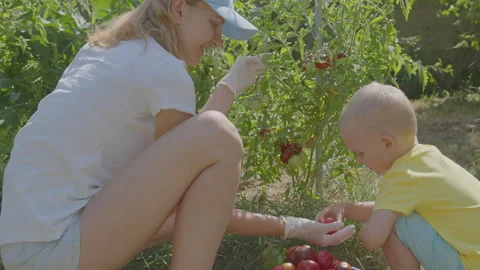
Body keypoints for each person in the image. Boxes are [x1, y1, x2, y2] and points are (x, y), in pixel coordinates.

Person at [0, 0, 356, 269]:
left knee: (209, 155)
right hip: (56, 248)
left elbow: (188, 186)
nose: (218, 41)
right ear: (179, 8)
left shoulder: (104, 51)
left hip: (24, 245)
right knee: (220, 134)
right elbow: (199, 176)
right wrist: (294, 226)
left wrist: (228, 88)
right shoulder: (165, 70)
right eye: (214, 25)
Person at [316, 82, 480, 270]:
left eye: (360, 153)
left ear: (387, 144)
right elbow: (389, 209)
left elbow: (373, 239)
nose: (359, 161)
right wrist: (346, 209)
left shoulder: (402, 175)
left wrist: (362, 231)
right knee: (395, 217)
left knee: (393, 224)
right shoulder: (426, 160)